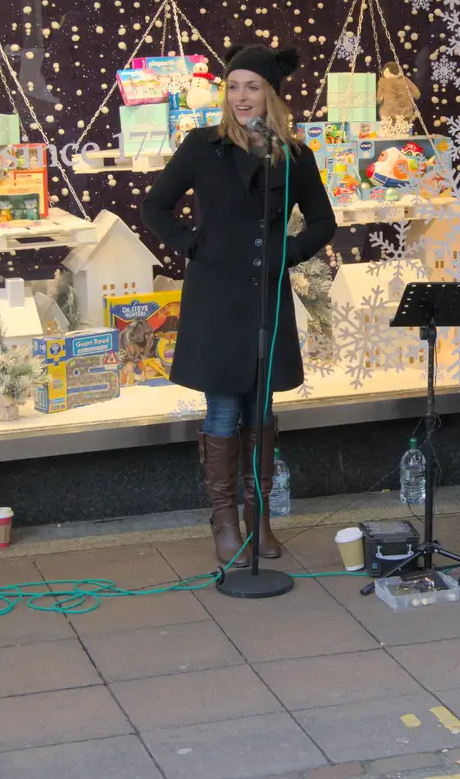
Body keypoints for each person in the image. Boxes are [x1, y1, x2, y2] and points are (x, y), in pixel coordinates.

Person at [142, 44, 336, 568]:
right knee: (225, 405)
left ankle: (260, 518)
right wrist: (193, 244)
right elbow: (154, 205)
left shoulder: (293, 155)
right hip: (216, 297)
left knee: (261, 407)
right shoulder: (203, 146)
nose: (241, 97)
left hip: (265, 295)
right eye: (232, 86)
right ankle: (224, 519)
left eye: (252, 86)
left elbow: (324, 222)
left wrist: (286, 253)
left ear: (271, 94)